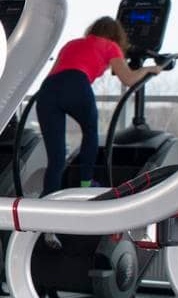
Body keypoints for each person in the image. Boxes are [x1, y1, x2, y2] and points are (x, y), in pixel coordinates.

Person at [34, 16, 162, 195]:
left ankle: (46, 199)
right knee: (90, 132)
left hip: (47, 90)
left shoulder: (72, 44)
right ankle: (86, 185)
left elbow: (59, 70)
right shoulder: (111, 46)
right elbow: (129, 78)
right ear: (117, 35)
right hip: (76, 85)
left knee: (56, 158)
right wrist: (149, 69)